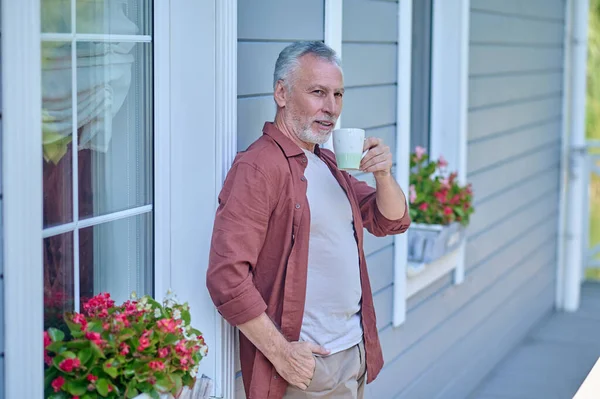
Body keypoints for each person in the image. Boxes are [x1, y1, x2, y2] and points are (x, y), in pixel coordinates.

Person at [206, 41, 411, 399]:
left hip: (352, 353)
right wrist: (282, 354)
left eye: (338, 94)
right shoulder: (259, 167)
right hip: (307, 370)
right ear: (282, 93)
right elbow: (226, 276)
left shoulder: (328, 163)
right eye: (317, 92)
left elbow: (389, 221)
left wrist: (383, 175)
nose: (331, 108)